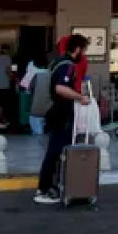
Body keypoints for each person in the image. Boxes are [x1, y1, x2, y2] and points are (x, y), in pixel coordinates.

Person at [33, 34, 92, 205]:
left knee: (57, 151)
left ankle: (51, 186)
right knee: (55, 150)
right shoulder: (68, 65)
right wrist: (80, 98)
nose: (84, 54)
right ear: (78, 49)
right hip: (61, 113)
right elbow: (60, 88)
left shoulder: (56, 62)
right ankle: (43, 189)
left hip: (56, 112)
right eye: (84, 50)